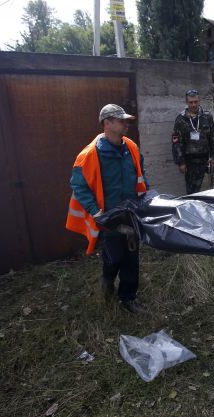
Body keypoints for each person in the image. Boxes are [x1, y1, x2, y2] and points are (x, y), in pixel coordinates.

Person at [66, 104, 149, 314]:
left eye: (127, 120)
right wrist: (96, 212)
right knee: (113, 258)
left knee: (131, 258)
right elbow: (78, 185)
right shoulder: (89, 155)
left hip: (130, 213)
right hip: (108, 216)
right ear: (107, 123)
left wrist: (145, 198)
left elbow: (141, 174)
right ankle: (107, 282)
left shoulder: (131, 147)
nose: (126, 124)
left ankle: (128, 298)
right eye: (121, 121)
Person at [172, 89, 214, 194]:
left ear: (199, 101)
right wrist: (181, 162)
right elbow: (176, 143)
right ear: (186, 102)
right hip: (192, 162)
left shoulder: (207, 116)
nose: (193, 105)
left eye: (196, 102)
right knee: (193, 193)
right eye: (191, 102)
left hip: (209, 158)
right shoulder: (181, 119)